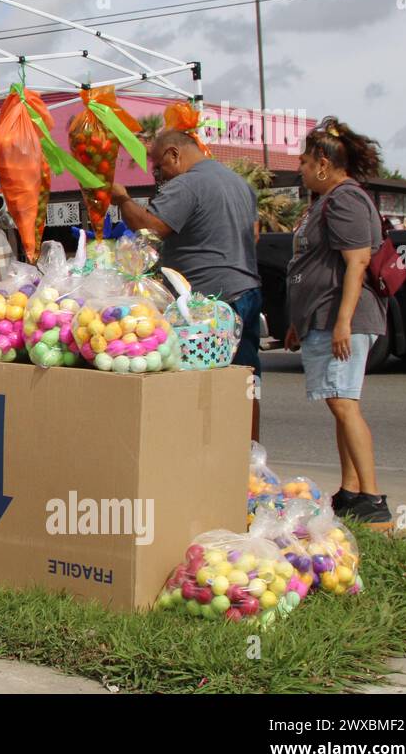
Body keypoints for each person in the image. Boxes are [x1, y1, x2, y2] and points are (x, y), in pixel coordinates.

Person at [109, 129, 263, 437]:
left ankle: (207, 452)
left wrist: (122, 199)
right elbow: (255, 234)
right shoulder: (239, 184)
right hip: (247, 291)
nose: (159, 175)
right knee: (247, 380)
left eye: (159, 166)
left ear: (173, 155)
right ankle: (247, 453)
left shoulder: (187, 184)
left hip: (207, 305)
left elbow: (150, 229)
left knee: (203, 386)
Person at [283, 117, 390, 523]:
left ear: (324, 164)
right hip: (322, 317)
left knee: (345, 403)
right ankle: (350, 490)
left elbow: (357, 261)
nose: (302, 170)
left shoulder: (345, 199)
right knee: (338, 401)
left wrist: (342, 322)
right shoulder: (328, 200)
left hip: (341, 318)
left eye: (306, 163)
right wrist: (300, 319)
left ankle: (373, 499)